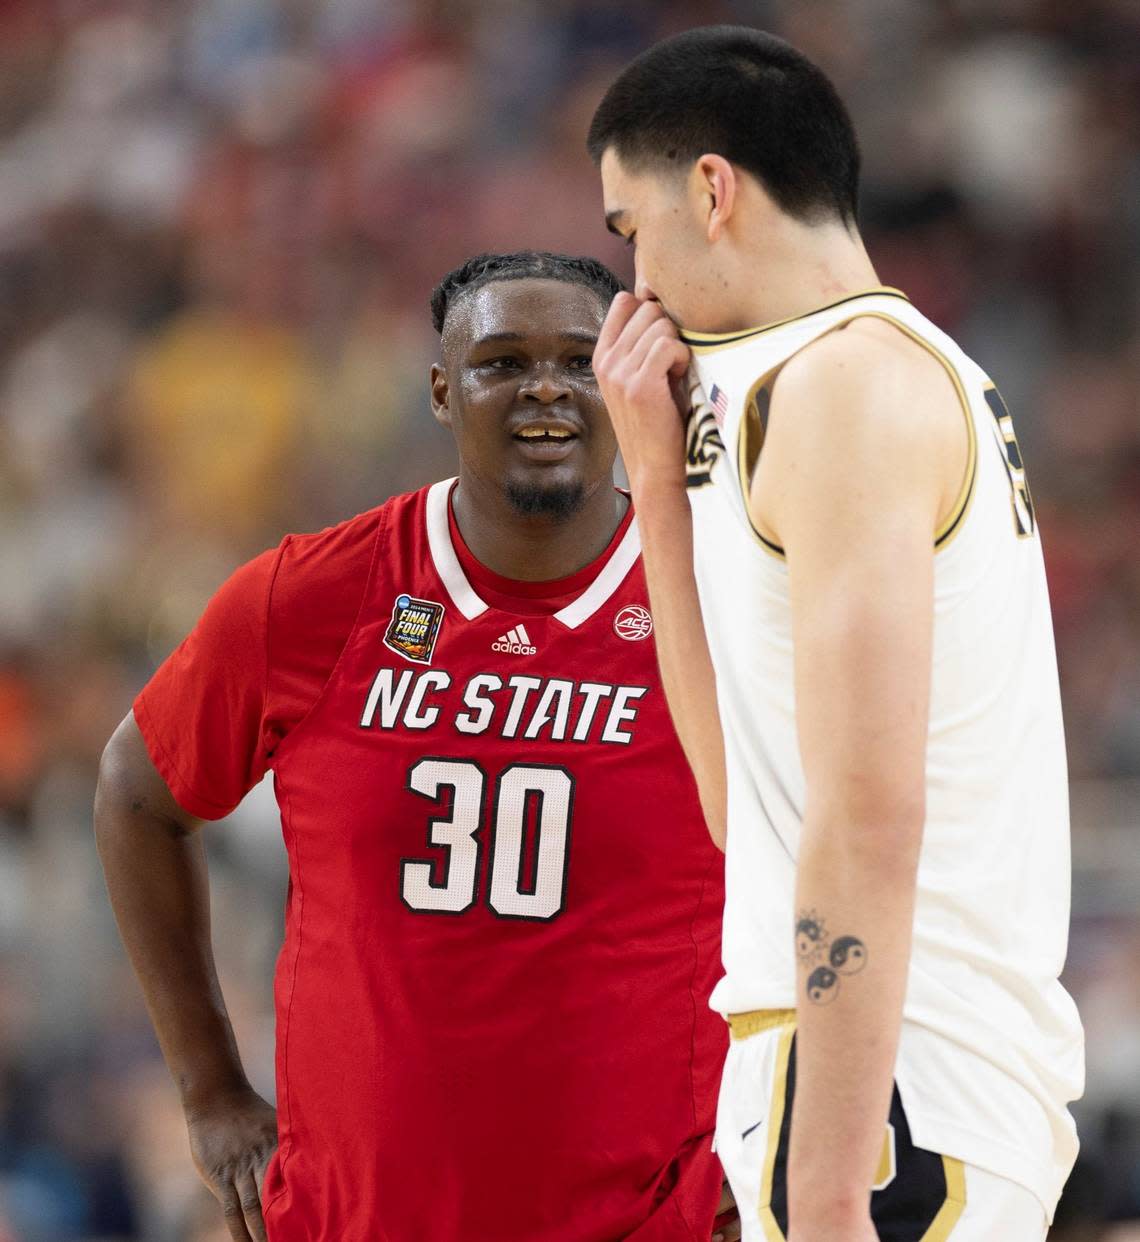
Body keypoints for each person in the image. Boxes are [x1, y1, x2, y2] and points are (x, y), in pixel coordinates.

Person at [95, 251, 738, 1242]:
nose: (544, 391)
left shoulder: (722, 607)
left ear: (628, 385)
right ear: (442, 391)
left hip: (648, 1217)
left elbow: (843, 864)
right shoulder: (310, 595)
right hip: (356, 1217)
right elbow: (138, 795)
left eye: (579, 361)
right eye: (502, 362)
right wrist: (212, 1091)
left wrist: (780, 1128)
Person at [586, 26, 1084, 1242]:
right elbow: (739, 810)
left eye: (626, 230)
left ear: (712, 190)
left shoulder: (846, 388)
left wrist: (824, 1190)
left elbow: (867, 815)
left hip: (889, 1088)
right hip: (857, 1071)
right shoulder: (833, 384)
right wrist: (655, 489)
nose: (630, 282)